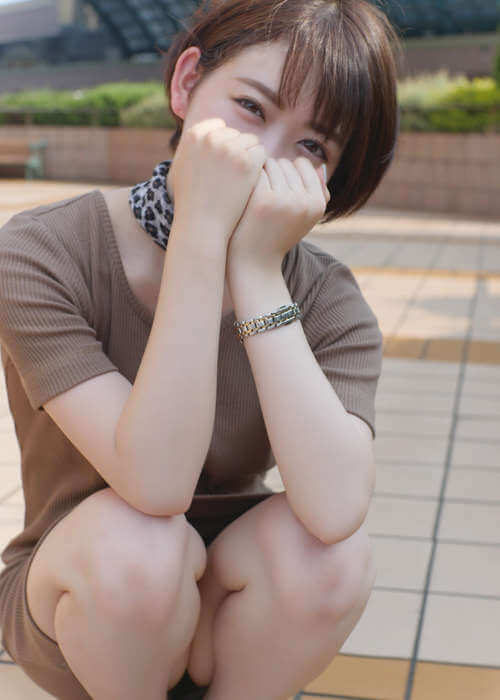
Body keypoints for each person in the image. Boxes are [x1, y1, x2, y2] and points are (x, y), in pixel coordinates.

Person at [0, 0, 401, 698]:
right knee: (140, 546)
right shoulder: (42, 252)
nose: (265, 155)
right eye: (250, 108)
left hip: (237, 603)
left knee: (332, 559)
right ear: (187, 83)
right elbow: (155, 485)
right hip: (83, 591)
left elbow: (337, 509)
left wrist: (255, 272)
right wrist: (200, 238)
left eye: (312, 147)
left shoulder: (328, 298)